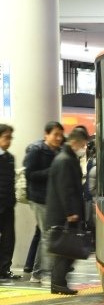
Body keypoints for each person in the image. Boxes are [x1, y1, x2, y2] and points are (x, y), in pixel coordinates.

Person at [45, 126, 88, 296]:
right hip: (63, 214)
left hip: (65, 213)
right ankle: (58, 283)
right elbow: (66, 189)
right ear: (75, 142)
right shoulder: (64, 160)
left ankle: (59, 283)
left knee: (65, 250)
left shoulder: (67, 158)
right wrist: (70, 212)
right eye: (83, 145)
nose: (84, 148)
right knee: (64, 250)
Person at [23, 121, 64, 284]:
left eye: (61, 135)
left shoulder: (58, 151)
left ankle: (38, 273)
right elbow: (30, 174)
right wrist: (51, 172)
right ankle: (44, 273)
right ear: (46, 134)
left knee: (44, 235)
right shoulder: (37, 151)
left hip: (52, 199)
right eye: (55, 134)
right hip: (38, 198)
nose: (59, 138)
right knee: (48, 235)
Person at [0, 124, 20, 284]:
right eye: (6, 137)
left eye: (10, 137)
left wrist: (12, 200)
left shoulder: (9, 158)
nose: (9, 141)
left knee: (9, 239)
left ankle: (5, 269)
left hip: (8, 206)